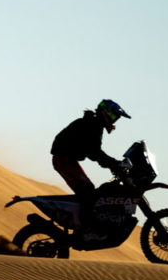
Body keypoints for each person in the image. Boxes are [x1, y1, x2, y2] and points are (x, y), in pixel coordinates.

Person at [50, 99, 130, 231]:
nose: (115, 121)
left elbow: (94, 152)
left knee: (90, 191)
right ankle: (83, 229)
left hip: (67, 160)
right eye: (115, 117)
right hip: (64, 160)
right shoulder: (93, 124)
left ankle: (84, 225)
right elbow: (94, 153)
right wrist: (114, 164)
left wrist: (113, 164)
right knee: (88, 193)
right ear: (107, 113)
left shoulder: (93, 123)